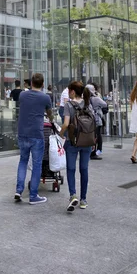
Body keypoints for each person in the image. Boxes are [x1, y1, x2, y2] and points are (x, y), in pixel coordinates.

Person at [14, 73, 53, 204]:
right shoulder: (45, 97)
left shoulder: (23, 95)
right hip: (37, 133)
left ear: (31, 83)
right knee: (37, 165)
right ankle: (33, 196)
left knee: (23, 161)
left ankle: (18, 190)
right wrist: (51, 120)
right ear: (42, 84)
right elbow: (49, 113)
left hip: (22, 132)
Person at [59, 81, 95, 212]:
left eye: (69, 91)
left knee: (71, 169)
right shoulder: (88, 104)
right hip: (86, 140)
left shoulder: (69, 105)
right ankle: (83, 199)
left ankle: (73, 195)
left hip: (72, 141)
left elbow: (66, 124)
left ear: (73, 92)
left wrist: (60, 134)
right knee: (84, 169)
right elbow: (94, 121)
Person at [86, 83, 106, 160]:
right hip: (96, 120)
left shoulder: (84, 99)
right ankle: (94, 153)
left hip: (87, 121)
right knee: (96, 136)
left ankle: (90, 151)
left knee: (91, 136)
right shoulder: (96, 99)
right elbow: (104, 104)